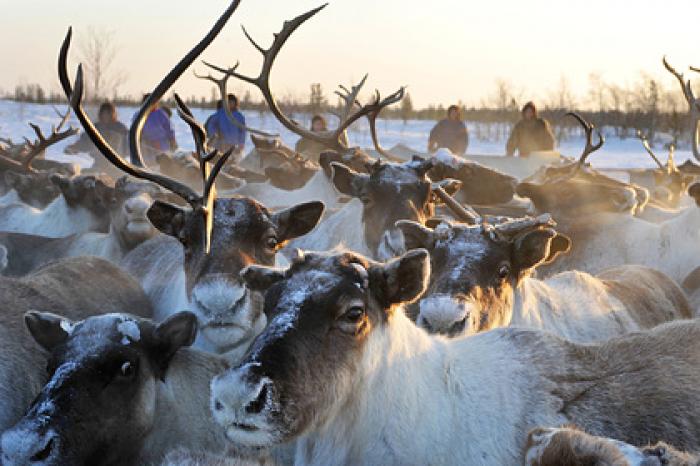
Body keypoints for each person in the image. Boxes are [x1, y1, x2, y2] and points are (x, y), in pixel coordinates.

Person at [205, 94, 247, 160]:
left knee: (234, 163)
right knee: (220, 161)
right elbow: (211, 125)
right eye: (229, 102)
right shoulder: (220, 113)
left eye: (232, 102)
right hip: (220, 144)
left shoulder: (239, 116)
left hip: (234, 146)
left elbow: (243, 131)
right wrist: (215, 134)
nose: (230, 104)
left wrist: (241, 143)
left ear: (235, 103)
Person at [137, 94, 177, 158]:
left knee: (163, 161)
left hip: (162, 146)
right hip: (146, 147)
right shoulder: (139, 115)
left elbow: (169, 129)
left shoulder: (161, 114)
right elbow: (135, 131)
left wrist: (173, 141)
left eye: (154, 102)